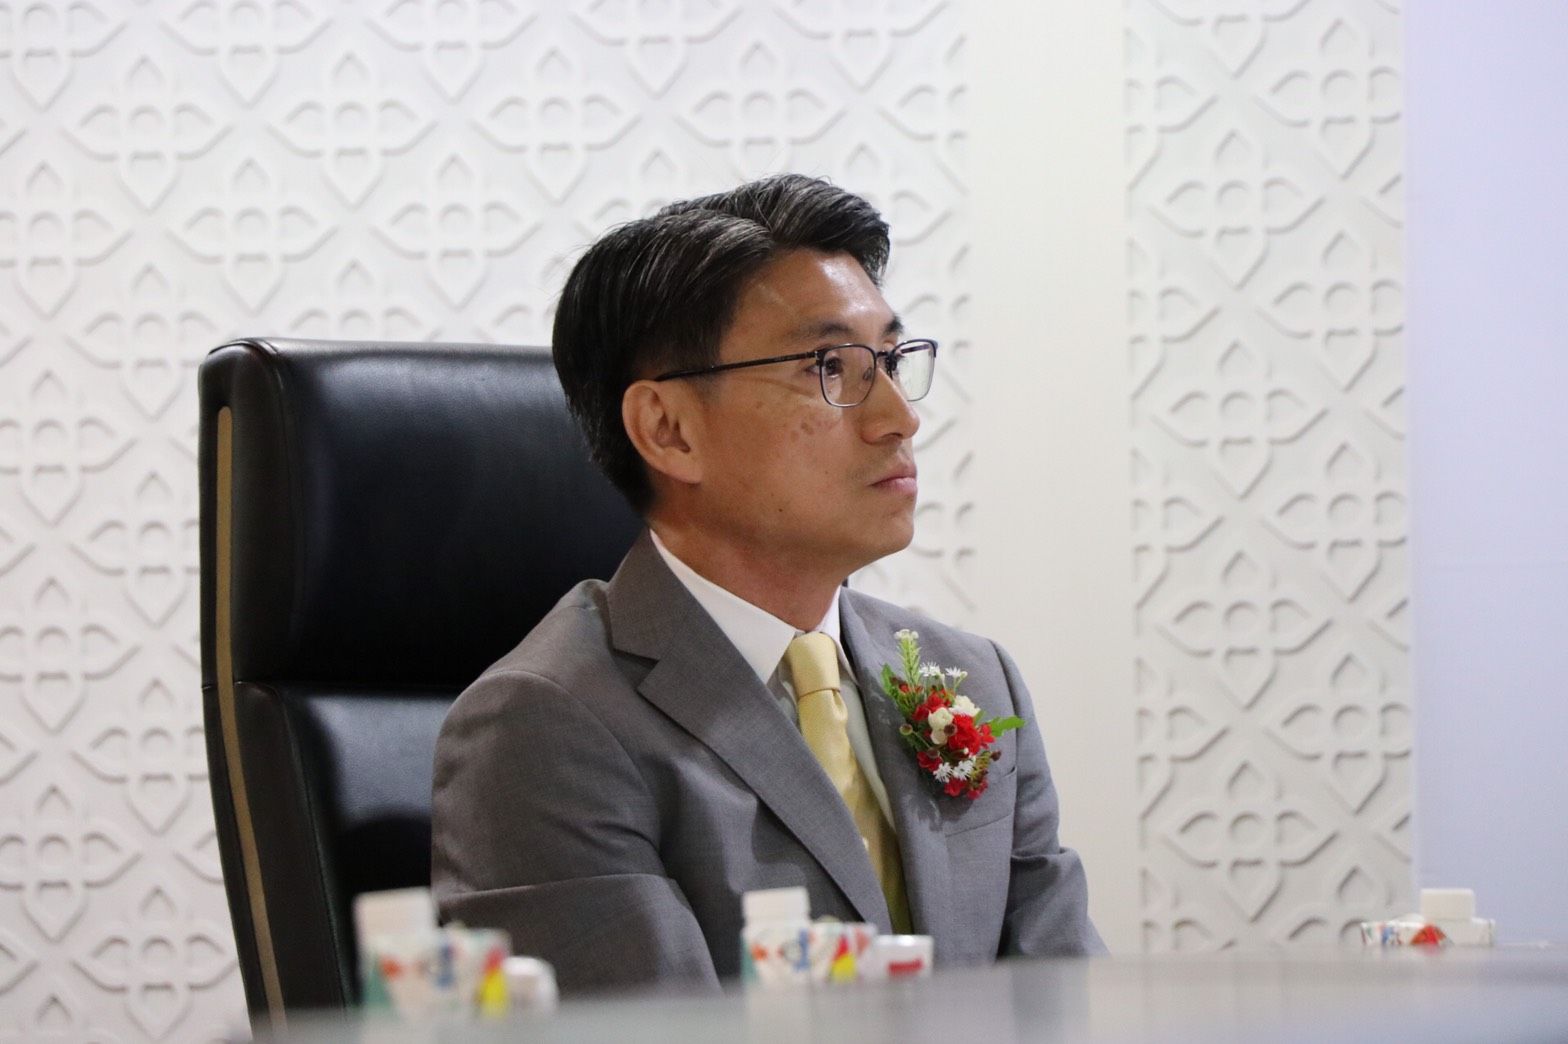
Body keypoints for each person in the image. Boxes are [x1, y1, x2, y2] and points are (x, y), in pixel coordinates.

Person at [430, 174, 1103, 994]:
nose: (898, 416)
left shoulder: (972, 676)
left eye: (891, 361)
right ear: (668, 430)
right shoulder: (545, 728)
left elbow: (1067, 1004)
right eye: (830, 367)